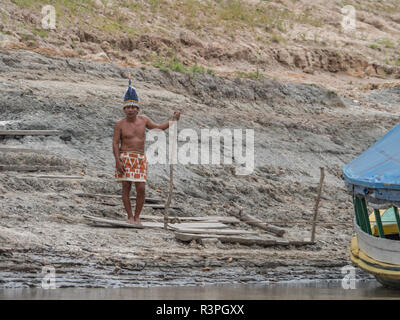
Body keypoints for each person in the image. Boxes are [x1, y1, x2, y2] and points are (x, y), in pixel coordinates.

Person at [113, 75, 180, 226]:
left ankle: (138, 217)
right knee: (126, 187)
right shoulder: (119, 124)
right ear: (124, 109)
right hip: (125, 158)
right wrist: (117, 161)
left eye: (133, 107)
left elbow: (158, 128)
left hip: (139, 159)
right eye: (128, 107)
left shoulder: (144, 120)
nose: (131, 110)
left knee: (141, 188)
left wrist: (173, 120)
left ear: (138, 109)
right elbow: (115, 143)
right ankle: (130, 216)